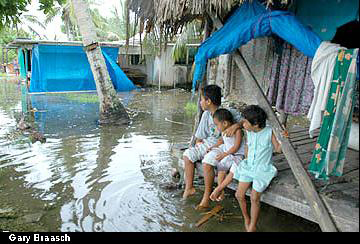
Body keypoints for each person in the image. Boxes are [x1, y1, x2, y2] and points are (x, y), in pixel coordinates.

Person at [210, 105, 287, 232]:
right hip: (248, 166)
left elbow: (278, 149)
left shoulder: (269, 132)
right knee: (239, 195)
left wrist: (283, 139)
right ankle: (247, 218)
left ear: (255, 124)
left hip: (263, 169)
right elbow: (247, 146)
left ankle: (252, 226)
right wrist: (245, 156)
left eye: (245, 121)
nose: (242, 123)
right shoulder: (249, 131)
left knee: (254, 197)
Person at [182, 85, 243, 209]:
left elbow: (245, 122)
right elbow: (200, 136)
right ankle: (189, 188)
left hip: (223, 145)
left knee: (207, 162)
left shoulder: (228, 113)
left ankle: (206, 196)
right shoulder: (206, 115)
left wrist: (236, 126)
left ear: (208, 101)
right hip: (209, 144)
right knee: (188, 155)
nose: (200, 102)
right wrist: (199, 146)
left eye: (201, 99)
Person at [206, 108, 245, 202]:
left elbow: (236, 147)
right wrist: (213, 146)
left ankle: (218, 189)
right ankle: (221, 190)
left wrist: (224, 154)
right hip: (229, 154)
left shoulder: (237, 131)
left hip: (238, 155)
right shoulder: (223, 132)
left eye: (217, 124)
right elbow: (222, 141)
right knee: (221, 168)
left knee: (233, 170)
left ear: (225, 123)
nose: (216, 127)